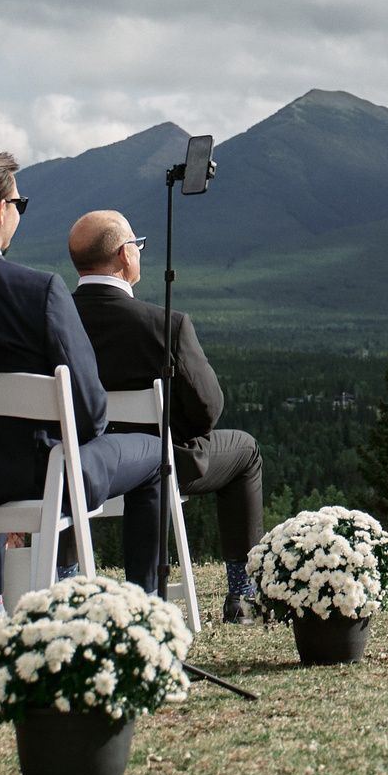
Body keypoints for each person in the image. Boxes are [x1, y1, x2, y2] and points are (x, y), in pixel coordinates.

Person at [0, 150, 164, 612]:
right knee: (154, 455)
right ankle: (144, 607)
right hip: (39, 480)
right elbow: (91, 412)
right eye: (20, 204)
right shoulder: (41, 290)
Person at [68, 209, 266, 622]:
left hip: (81, 465)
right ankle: (241, 593)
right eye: (137, 246)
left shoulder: (57, 320)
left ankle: (66, 579)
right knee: (245, 450)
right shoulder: (166, 324)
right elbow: (208, 409)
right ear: (125, 255)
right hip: (163, 463)